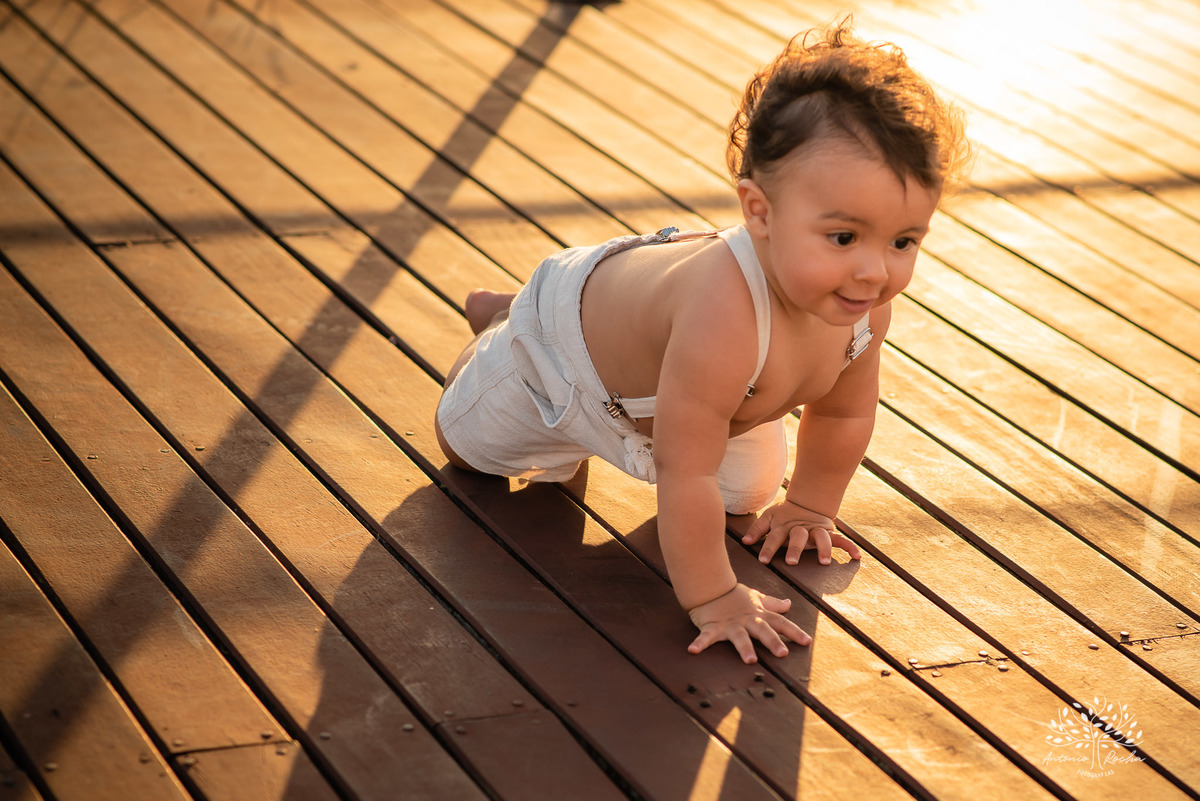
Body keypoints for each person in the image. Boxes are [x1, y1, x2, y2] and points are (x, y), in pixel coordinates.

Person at [435, 21, 969, 664]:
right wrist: (715, 596)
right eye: (844, 238)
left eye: (903, 241)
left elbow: (843, 410)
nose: (874, 271)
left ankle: (687, 410)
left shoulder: (861, 308)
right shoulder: (724, 311)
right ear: (760, 212)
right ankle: (501, 324)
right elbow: (681, 468)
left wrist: (808, 506)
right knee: (472, 452)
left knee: (746, 496)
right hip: (564, 360)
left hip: (696, 397)